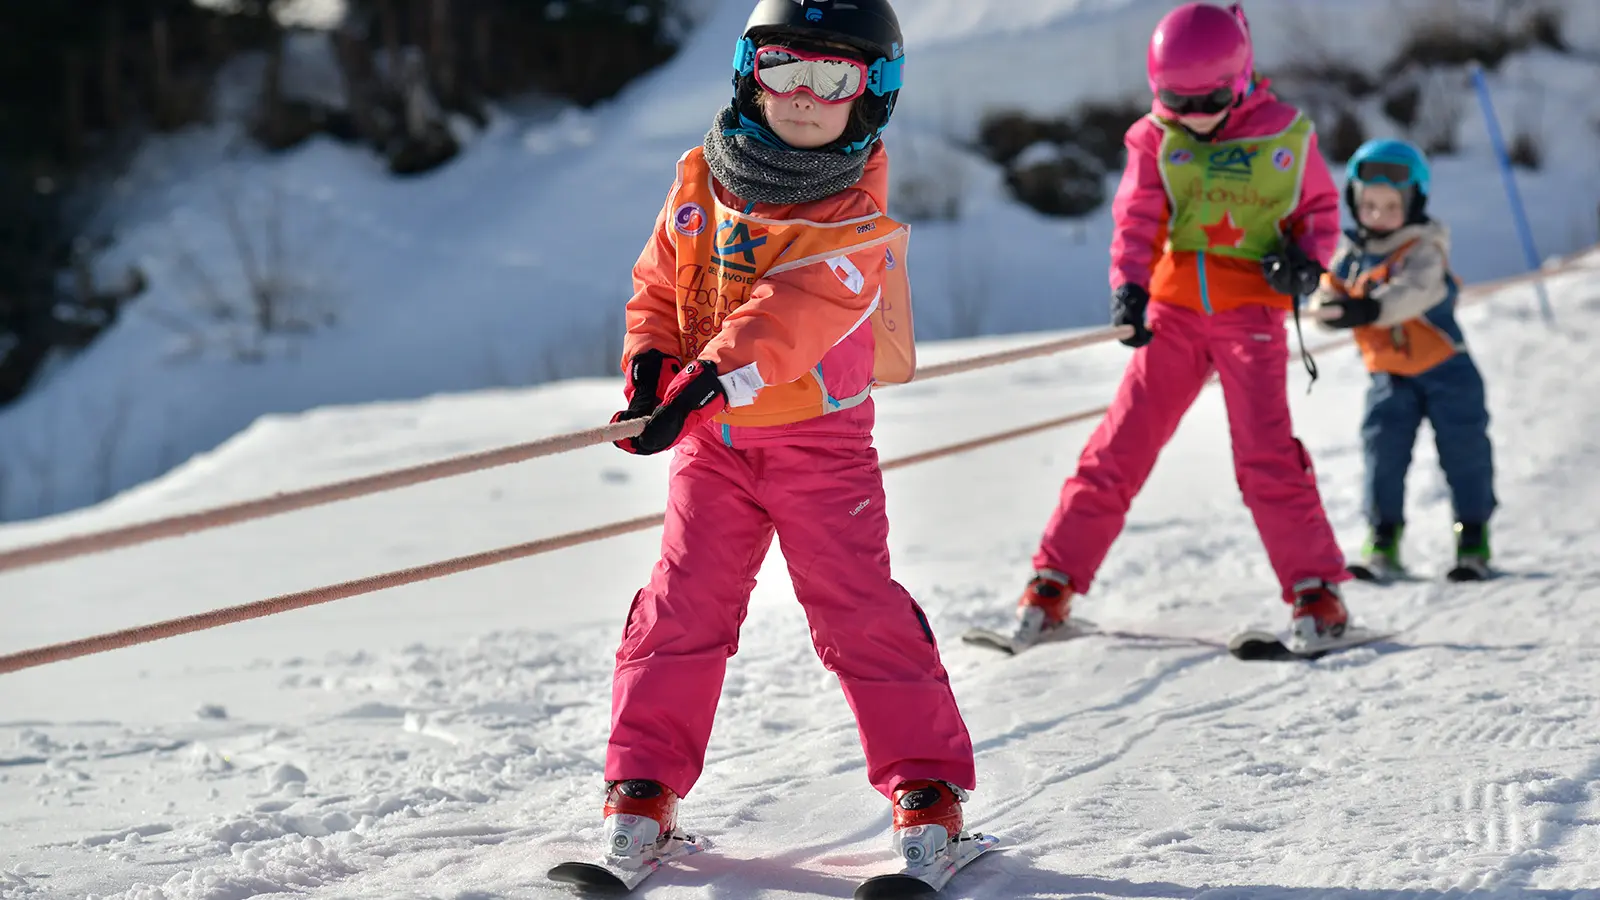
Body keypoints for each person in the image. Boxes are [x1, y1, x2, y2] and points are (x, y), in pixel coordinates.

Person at [598, 0, 976, 871]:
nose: (805, 95)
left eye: (832, 78)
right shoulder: (701, 174)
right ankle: (642, 785)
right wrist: (652, 365)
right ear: (748, 72)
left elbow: (791, 314)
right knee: (679, 608)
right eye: (785, 69)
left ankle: (927, 791)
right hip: (712, 445)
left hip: (818, 444)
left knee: (855, 608)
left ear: (871, 93)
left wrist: (702, 382)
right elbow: (659, 281)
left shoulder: (855, 220)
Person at [1008, 1, 1353, 652]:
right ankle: (1051, 584)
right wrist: (1130, 290)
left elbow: (1320, 212)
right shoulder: (1156, 138)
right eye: (1175, 100)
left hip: (1250, 313)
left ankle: (1317, 593)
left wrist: (1306, 265)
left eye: (1212, 99)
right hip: (1173, 314)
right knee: (1120, 447)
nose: (1194, 117)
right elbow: (1137, 218)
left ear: (1244, 77)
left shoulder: (1286, 136)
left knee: (1265, 456)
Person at [1308, 138, 1496, 582]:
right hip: (1389, 377)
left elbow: (1413, 293)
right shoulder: (1351, 255)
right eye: (1368, 205)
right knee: (1383, 453)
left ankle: (1473, 537)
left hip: (1447, 373)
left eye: (1390, 206)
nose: (1377, 216)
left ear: (1413, 203)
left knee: (1464, 452)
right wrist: (1328, 310)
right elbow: (1324, 294)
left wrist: (1368, 310)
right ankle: (1382, 538)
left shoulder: (1424, 248)